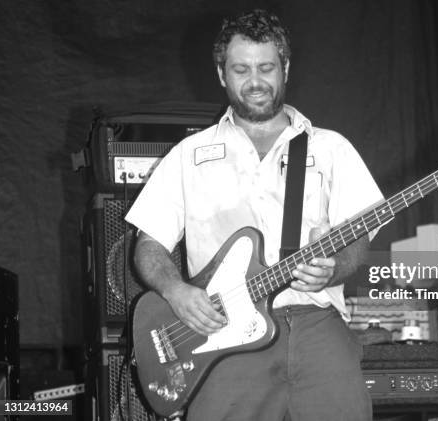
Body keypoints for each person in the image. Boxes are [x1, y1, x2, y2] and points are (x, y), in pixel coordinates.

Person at [126, 9, 384, 421]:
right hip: (222, 333)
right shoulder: (188, 156)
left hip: (315, 320)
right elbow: (149, 244)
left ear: (285, 68)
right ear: (221, 74)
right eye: (241, 69)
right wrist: (177, 292)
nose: (255, 81)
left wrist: (333, 268)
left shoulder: (331, 149)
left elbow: (358, 239)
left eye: (266, 67)